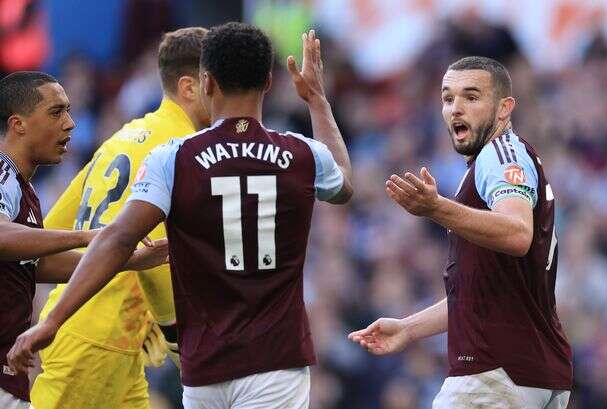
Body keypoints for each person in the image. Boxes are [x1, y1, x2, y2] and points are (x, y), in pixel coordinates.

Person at [8, 23, 353, 408]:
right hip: (113, 341)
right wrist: (174, 337)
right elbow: (146, 255)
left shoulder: (133, 141)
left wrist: (60, 308)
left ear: (209, 82)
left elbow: (51, 238)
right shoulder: (282, 153)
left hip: (128, 348)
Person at [349, 56, 572, 408]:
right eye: (448, 98)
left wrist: (435, 208)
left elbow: (517, 234)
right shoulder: (493, 161)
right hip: (529, 373)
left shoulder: (499, 155)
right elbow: (482, 293)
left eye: (471, 97)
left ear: (504, 109)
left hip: (495, 374)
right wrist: (409, 328)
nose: (456, 108)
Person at [30, 27, 210, 409]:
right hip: (97, 344)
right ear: (191, 87)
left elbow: (52, 229)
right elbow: (156, 253)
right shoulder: (183, 151)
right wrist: (179, 342)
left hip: (102, 338)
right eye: (219, 83)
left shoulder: (122, 137)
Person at [0, 71, 167, 409]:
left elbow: (37, 264)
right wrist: (88, 236)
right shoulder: (2, 173)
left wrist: (126, 259)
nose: (70, 124)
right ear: (18, 124)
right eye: (56, 112)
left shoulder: (24, 189)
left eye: (69, 111)